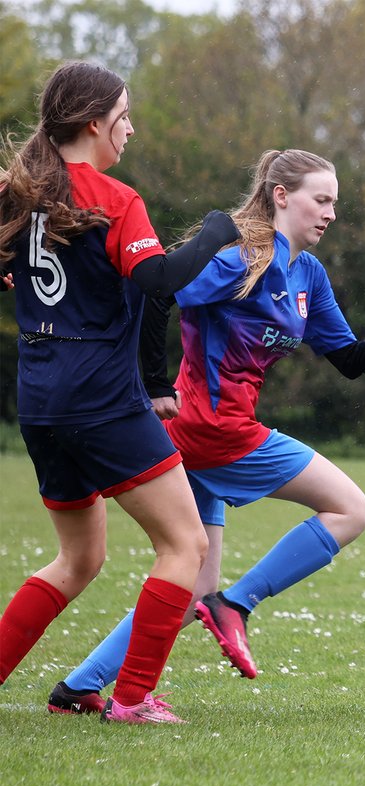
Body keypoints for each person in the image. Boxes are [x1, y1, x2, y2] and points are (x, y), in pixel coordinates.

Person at [47, 148, 365, 711]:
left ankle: (79, 686)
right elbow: (159, 289)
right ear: (282, 195)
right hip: (214, 429)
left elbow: (351, 360)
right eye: (321, 199)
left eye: (335, 202)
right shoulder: (241, 257)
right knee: (351, 510)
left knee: (188, 586)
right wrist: (154, 382)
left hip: (204, 433)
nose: (330, 213)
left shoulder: (308, 273)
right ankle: (238, 605)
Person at [0, 61, 239, 724]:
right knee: (186, 545)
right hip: (99, 396)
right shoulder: (112, 196)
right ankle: (132, 699)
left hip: (40, 397)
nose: (129, 129)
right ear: (91, 123)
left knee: (78, 559)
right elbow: (158, 277)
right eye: (124, 116)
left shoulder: (19, 194)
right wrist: (218, 232)